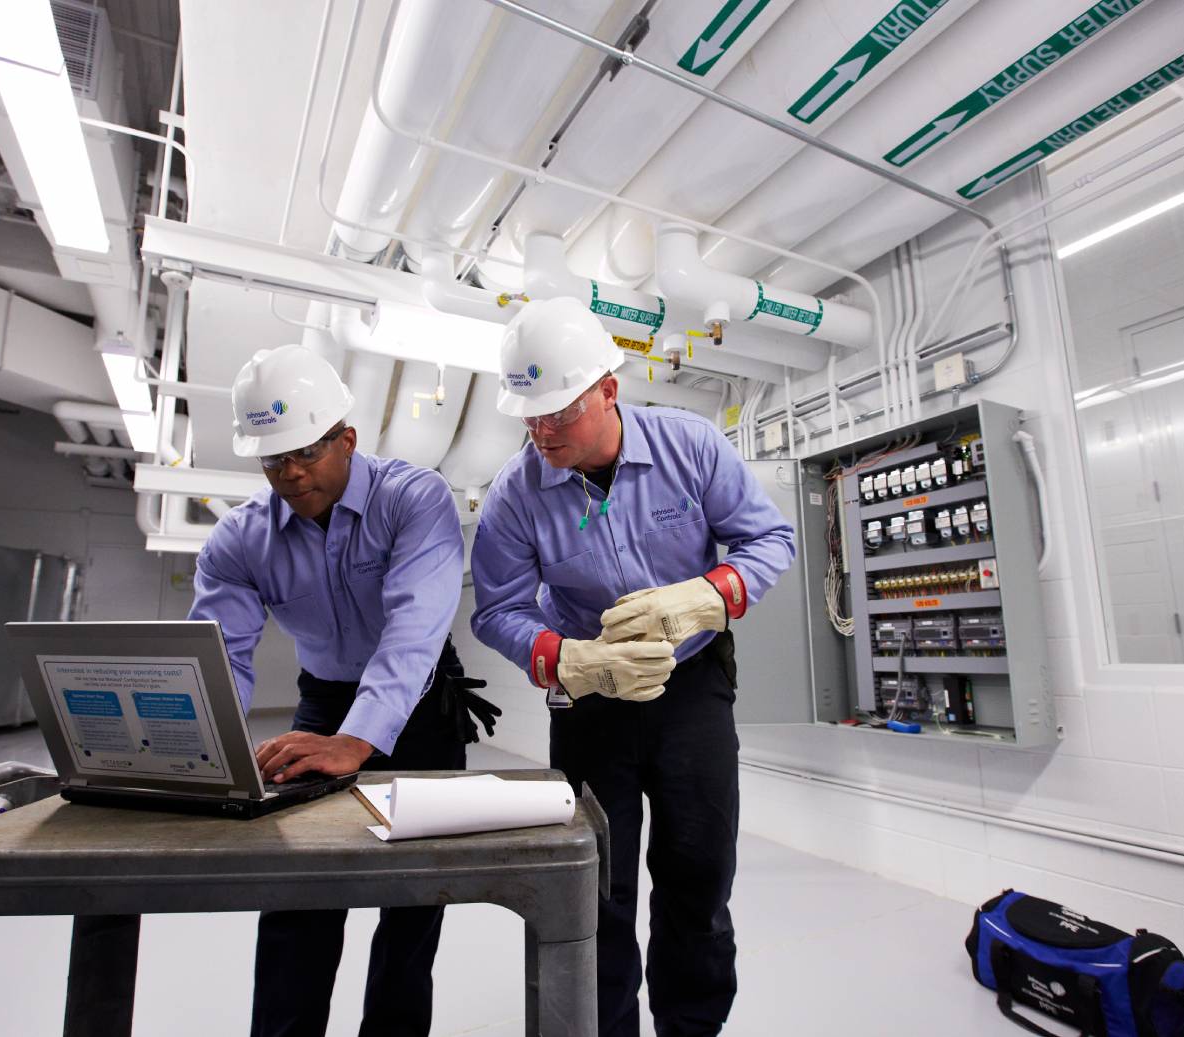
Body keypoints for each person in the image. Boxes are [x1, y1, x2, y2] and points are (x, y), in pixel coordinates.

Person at [469, 297, 795, 1036]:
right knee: (595, 886)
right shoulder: (514, 499)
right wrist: (566, 658)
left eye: (559, 410)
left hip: (692, 689)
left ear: (609, 390)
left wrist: (706, 597)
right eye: (530, 414)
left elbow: (769, 539)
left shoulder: (691, 446)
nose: (542, 430)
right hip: (591, 703)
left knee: (698, 873)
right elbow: (497, 611)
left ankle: (691, 1025)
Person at [188, 344, 496, 1037]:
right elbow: (222, 657)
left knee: (413, 900)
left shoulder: (413, 499)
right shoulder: (239, 539)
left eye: (305, 450)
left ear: (346, 438)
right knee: (299, 893)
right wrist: (203, 751)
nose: (290, 471)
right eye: (272, 458)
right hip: (322, 705)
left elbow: (414, 629)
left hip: (422, 705)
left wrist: (357, 740)